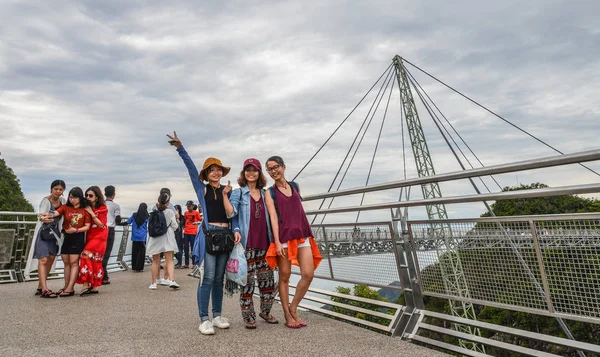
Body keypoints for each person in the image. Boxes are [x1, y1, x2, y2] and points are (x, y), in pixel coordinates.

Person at [168, 131, 237, 335]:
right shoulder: (203, 189)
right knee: (206, 278)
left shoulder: (228, 190)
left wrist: (238, 230)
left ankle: (217, 315)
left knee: (219, 278)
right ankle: (204, 318)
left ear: (222, 173)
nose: (216, 173)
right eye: (211, 170)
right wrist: (181, 148)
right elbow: (191, 169)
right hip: (208, 236)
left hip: (226, 237)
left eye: (218, 170)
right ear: (206, 174)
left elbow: (233, 214)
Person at [264, 156, 322, 328]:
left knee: (308, 273)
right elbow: (273, 217)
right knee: (285, 276)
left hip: (302, 235)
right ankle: (287, 315)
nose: (273, 171)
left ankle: (293, 307)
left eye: (276, 167)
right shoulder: (270, 192)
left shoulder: (295, 186)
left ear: (283, 167)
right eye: (269, 169)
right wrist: (276, 241)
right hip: (283, 237)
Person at [225, 158, 278, 329]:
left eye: (254, 170)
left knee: (268, 283)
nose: (251, 173)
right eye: (247, 170)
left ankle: (266, 311)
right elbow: (232, 214)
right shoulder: (238, 193)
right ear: (243, 173)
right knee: (247, 284)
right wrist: (236, 229)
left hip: (265, 243)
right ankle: (249, 317)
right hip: (246, 244)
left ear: (259, 173)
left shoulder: (265, 194)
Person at [49, 187, 92, 297]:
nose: (72, 200)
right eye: (71, 197)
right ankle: (66, 285)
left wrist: (76, 230)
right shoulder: (66, 207)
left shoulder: (84, 210)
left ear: (80, 198)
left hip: (77, 237)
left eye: (75, 197)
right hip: (66, 236)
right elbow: (56, 213)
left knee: (74, 262)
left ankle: (70, 287)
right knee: (66, 262)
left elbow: (87, 226)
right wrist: (47, 215)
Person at [30, 180, 66, 298]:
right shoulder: (46, 201)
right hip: (44, 233)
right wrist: (43, 218)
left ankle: (41, 286)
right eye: (56, 189)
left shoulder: (63, 201)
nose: (58, 191)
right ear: (51, 189)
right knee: (43, 259)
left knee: (50, 259)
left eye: (60, 189)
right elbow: (40, 214)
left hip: (55, 234)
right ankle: (45, 289)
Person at [77, 186, 108, 295]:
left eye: (91, 195)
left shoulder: (103, 208)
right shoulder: (85, 208)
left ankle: (86, 284)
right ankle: (94, 286)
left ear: (96, 197)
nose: (88, 197)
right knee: (94, 258)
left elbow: (101, 224)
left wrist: (91, 212)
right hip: (90, 235)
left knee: (85, 255)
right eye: (86, 195)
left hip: (100, 235)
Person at [146, 190, 180, 290]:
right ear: (167, 202)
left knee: (155, 261)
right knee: (169, 260)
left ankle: (153, 283)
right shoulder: (169, 212)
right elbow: (174, 225)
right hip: (167, 237)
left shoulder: (153, 212)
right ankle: (172, 280)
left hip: (155, 238)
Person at [102, 185, 121, 285]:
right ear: (113, 195)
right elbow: (118, 219)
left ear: (105, 194)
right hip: (110, 230)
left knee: (100, 252)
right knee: (107, 252)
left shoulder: (101, 204)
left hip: (100, 229)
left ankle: (98, 273)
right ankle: (104, 276)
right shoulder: (116, 206)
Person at [127, 203, 149, 272]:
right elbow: (150, 225)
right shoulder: (147, 216)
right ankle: (139, 268)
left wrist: (118, 223)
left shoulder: (134, 215)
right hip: (143, 237)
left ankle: (134, 267)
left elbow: (128, 222)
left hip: (135, 236)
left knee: (135, 252)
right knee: (141, 253)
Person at [182, 200, 202, 268]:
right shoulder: (185, 213)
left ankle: (194, 263)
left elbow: (200, 219)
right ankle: (186, 263)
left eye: (189, 206)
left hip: (193, 232)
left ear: (193, 206)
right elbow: (184, 220)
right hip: (186, 232)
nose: (188, 208)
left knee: (193, 248)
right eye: (187, 206)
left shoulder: (196, 213)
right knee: (186, 248)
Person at [174, 204, 184, 268]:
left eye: (176, 209)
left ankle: (180, 263)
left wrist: (178, 220)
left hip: (179, 234)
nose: (175, 210)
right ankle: (178, 261)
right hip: (173, 233)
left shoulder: (182, 217)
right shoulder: (173, 217)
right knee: (174, 249)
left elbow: (181, 225)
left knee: (179, 247)